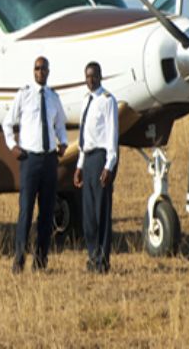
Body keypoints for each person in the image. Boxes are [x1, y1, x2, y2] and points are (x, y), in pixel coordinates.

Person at [2, 55, 68, 272]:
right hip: (30, 160)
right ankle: (19, 259)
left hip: (49, 160)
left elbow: (60, 123)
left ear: (48, 71)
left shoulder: (52, 97)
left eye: (43, 68)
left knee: (47, 212)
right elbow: (7, 123)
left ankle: (40, 261)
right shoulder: (24, 95)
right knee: (26, 211)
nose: (40, 72)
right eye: (37, 68)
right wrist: (12, 145)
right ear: (33, 71)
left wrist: (63, 142)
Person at [73, 61, 119, 273]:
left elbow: (112, 136)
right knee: (88, 214)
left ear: (100, 76)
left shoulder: (107, 101)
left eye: (94, 76)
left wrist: (109, 166)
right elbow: (84, 137)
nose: (90, 80)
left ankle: (103, 260)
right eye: (87, 76)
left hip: (101, 158)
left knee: (102, 212)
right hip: (88, 158)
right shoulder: (86, 100)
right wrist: (79, 165)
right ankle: (92, 256)